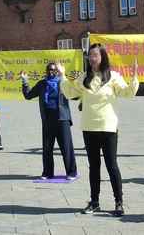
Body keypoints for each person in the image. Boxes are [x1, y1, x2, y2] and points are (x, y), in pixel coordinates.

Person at [55, 43, 139, 217]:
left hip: (108, 128)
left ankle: (119, 201)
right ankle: (94, 202)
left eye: (96, 55)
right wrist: (62, 75)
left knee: (112, 166)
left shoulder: (113, 77)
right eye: (90, 56)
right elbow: (70, 94)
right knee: (94, 167)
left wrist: (134, 77)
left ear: (102, 57)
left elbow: (128, 93)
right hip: (89, 127)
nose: (93, 59)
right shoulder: (84, 78)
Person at [20, 64, 77, 180]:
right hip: (47, 118)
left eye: (53, 70)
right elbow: (28, 95)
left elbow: (74, 95)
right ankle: (47, 172)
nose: (51, 72)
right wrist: (24, 81)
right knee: (47, 147)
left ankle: (71, 172)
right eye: (48, 70)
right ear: (45, 71)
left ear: (57, 71)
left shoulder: (62, 83)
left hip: (62, 118)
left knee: (66, 146)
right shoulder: (42, 84)